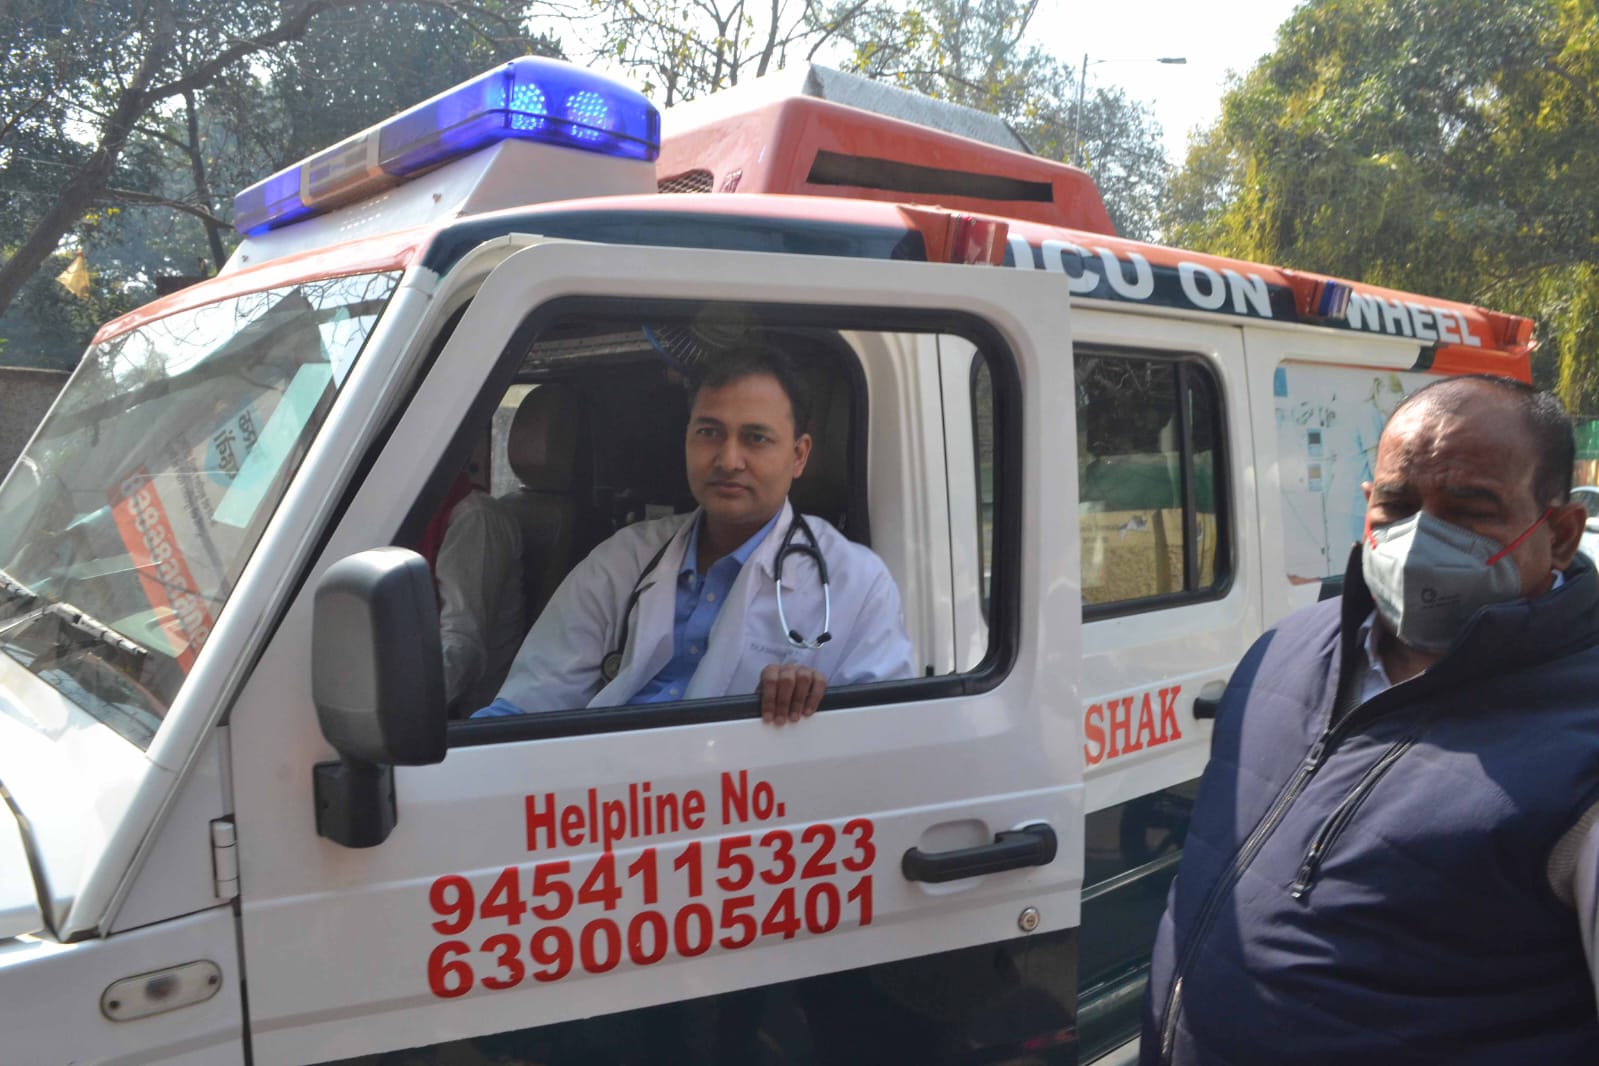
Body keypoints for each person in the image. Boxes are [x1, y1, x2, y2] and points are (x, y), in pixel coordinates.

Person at [1142, 375, 1599, 1064]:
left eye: (1468, 510)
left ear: (1559, 535)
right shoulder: (1284, 650)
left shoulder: (1581, 745)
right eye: (1397, 505)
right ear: (1367, 505)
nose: (1420, 540)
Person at [477, 349, 915, 725]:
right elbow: (522, 711)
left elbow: (882, 737)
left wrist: (817, 711)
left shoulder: (857, 583)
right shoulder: (622, 559)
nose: (728, 460)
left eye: (756, 438)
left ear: (798, 456)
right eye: (709, 433)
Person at [421, 442, 524, 716]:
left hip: (469, 717)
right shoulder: (411, 516)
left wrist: (398, 708)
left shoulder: (476, 518)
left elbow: (462, 646)